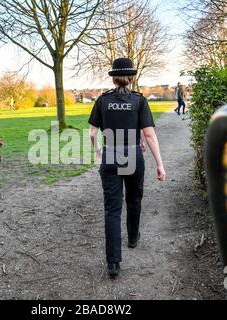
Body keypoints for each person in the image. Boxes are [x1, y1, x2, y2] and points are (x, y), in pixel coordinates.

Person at [88, 57, 166, 278]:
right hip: (133, 155)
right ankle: (132, 237)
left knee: (112, 209)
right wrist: (160, 164)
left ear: (113, 78)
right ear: (131, 78)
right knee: (134, 199)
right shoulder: (139, 101)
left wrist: (98, 153)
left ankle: (113, 263)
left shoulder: (102, 101)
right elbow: (149, 133)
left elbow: (93, 133)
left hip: (110, 156)